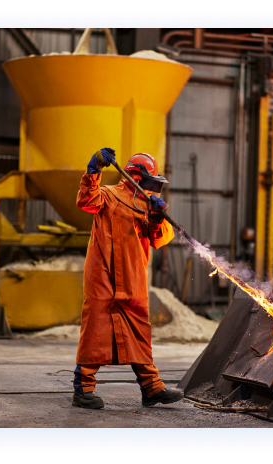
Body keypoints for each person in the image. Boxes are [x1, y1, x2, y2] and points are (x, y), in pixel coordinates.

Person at [72, 147, 183, 409]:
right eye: (149, 182)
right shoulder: (108, 195)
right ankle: (83, 389)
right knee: (96, 329)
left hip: (133, 277)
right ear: (134, 176)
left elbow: (160, 239)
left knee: (138, 330)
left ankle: (152, 387)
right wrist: (93, 171)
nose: (153, 187)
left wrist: (156, 217)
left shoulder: (148, 205)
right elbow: (86, 201)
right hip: (103, 275)